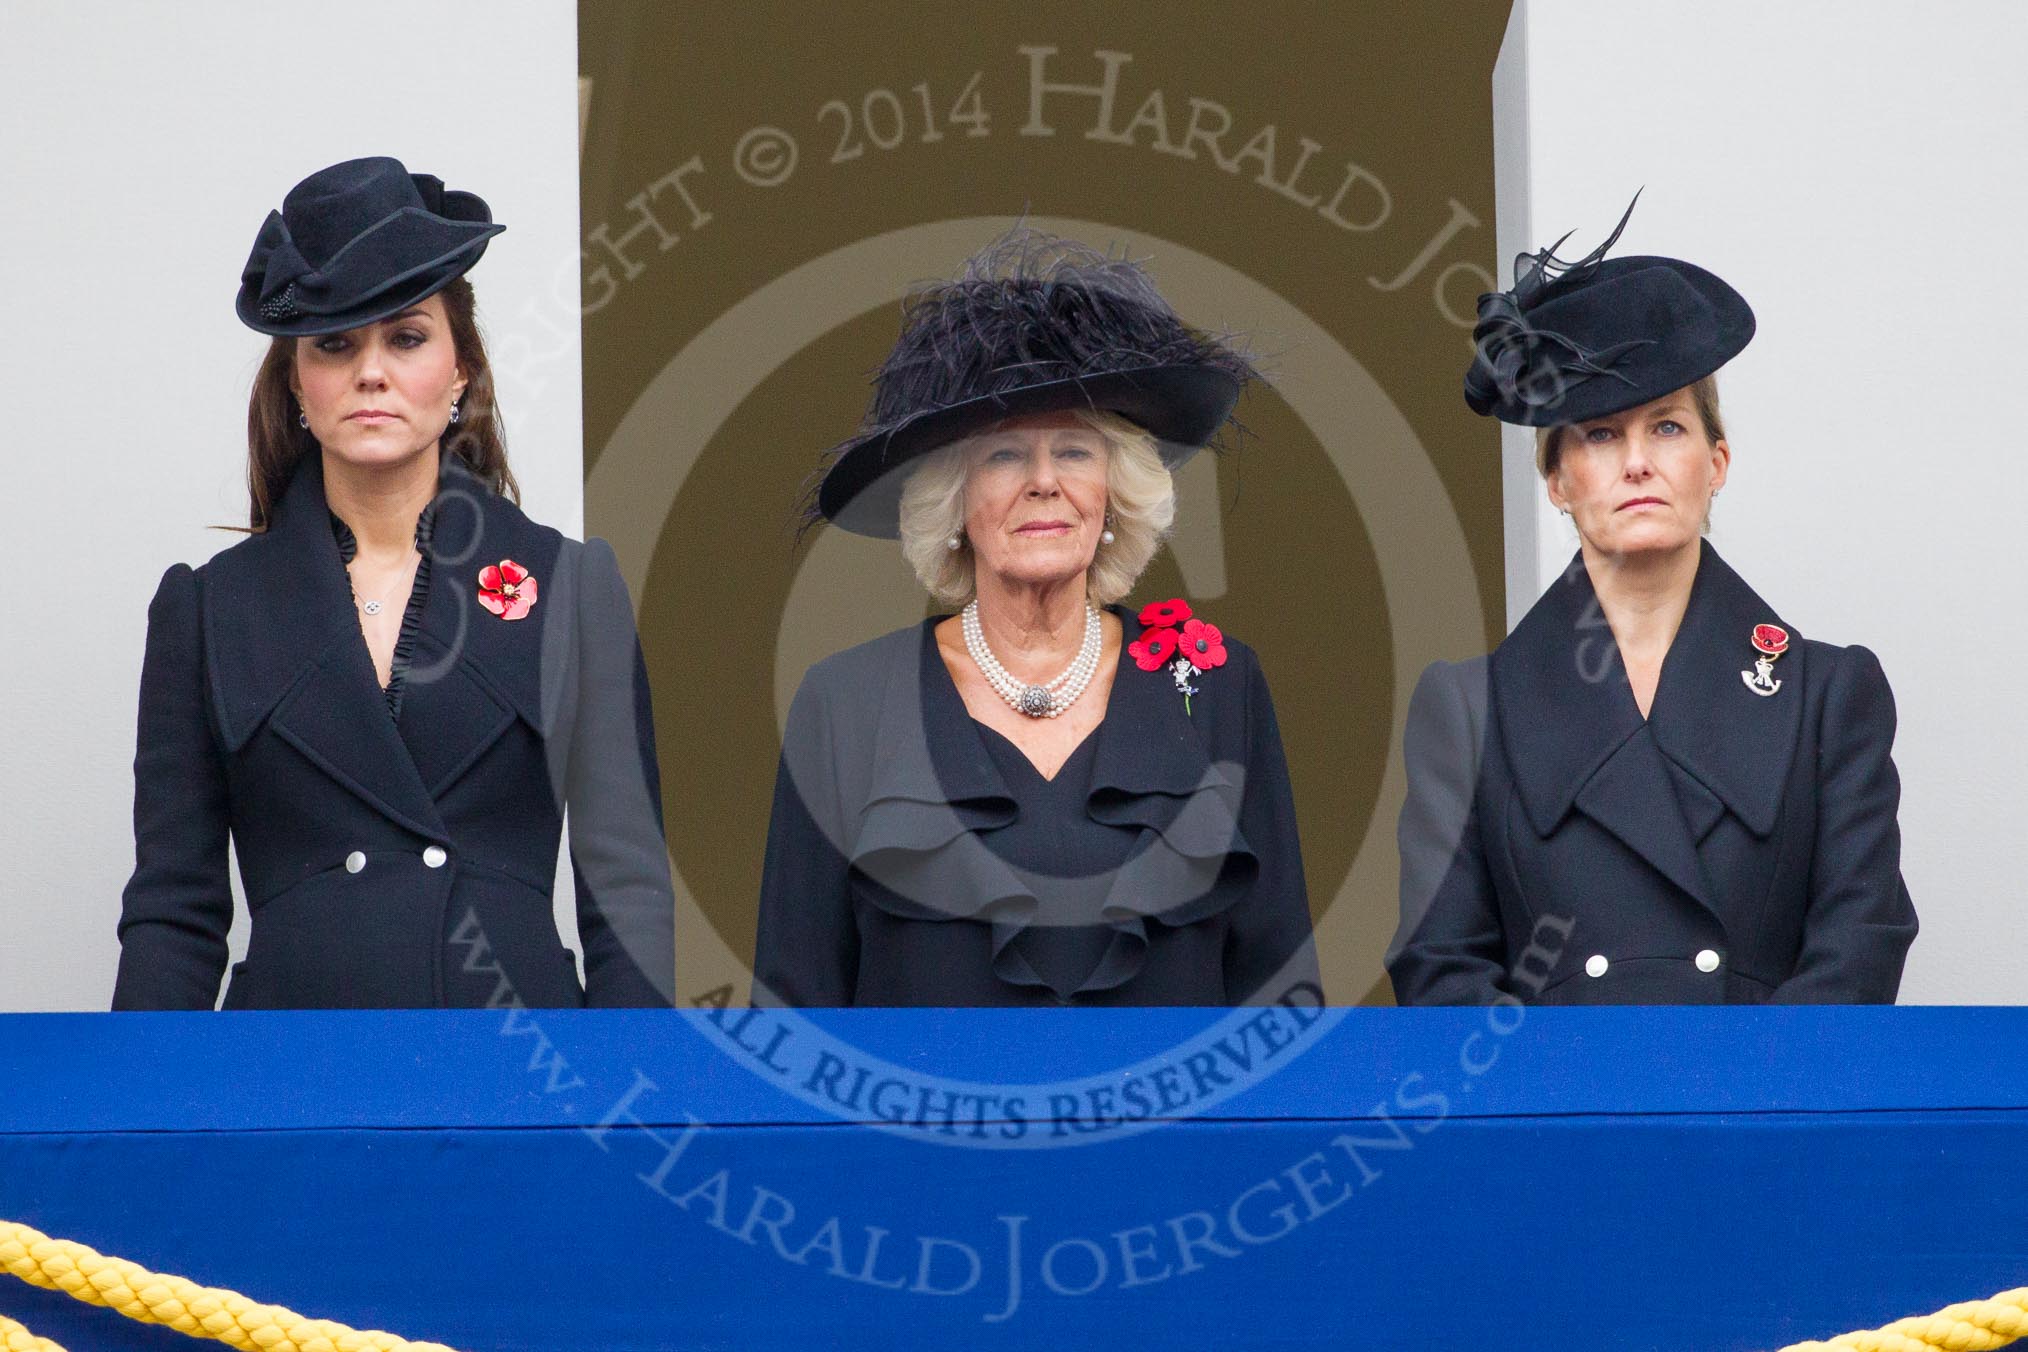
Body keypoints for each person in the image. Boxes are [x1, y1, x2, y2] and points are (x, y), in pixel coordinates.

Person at [114, 157, 674, 1009]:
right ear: (298, 381)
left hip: (521, 1078)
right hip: (291, 1080)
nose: (370, 372)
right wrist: (145, 1125)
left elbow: (626, 895)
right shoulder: (208, 607)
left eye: (406, 338)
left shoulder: (571, 585)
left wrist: (626, 1119)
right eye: (336, 344)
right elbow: (174, 910)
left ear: (460, 374)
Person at [754, 230, 1317, 1006]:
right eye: (1004, 456)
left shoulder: (1217, 687)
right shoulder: (847, 703)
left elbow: (1278, 992)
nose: (1044, 482)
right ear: (955, 504)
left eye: (1076, 452)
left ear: (1115, 495)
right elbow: (796, 1008)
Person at [1388, 204, 1917, 1005]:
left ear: (1718, 461)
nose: (1638, 463)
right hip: (1560, 1121)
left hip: (1765, 1117)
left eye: (1667, 427)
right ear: (1558, 481)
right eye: (1600, 435)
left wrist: (1743, 1107)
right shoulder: (1468, 710)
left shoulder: (1829, 694)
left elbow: (1861, 942)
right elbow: (1441, 969)